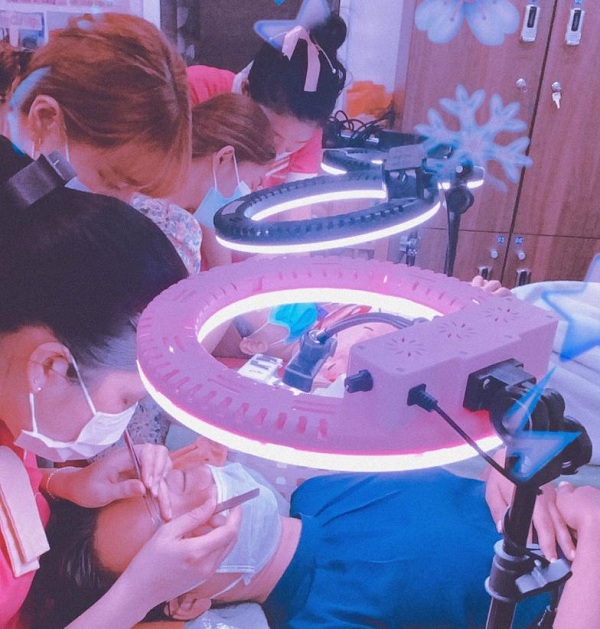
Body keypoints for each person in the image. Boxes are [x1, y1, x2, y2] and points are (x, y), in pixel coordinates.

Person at [0, 138, 240, 628]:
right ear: (51, 367)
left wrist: (66, 483)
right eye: (127, 399)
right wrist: (137, 593)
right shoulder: (20, 389)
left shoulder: (16, 403)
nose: (124, 420)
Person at [35, 437, 554, 629]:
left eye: (161, 486)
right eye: (176, 528)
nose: (193, 488)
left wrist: (516, 470)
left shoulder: (321, 493)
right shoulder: (323, 619)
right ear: (188, 602)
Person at [187, 12, 347, 187]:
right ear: (245, 90)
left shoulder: (306, 134)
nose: (277, 152)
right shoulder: (192, 91)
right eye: (273, 136)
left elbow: (296, 201)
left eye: (292, 146)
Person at [168, 93, 276, 269]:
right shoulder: (178, 230)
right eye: (251, 184)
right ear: (224, 158)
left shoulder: (135, 189)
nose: (247, 196)